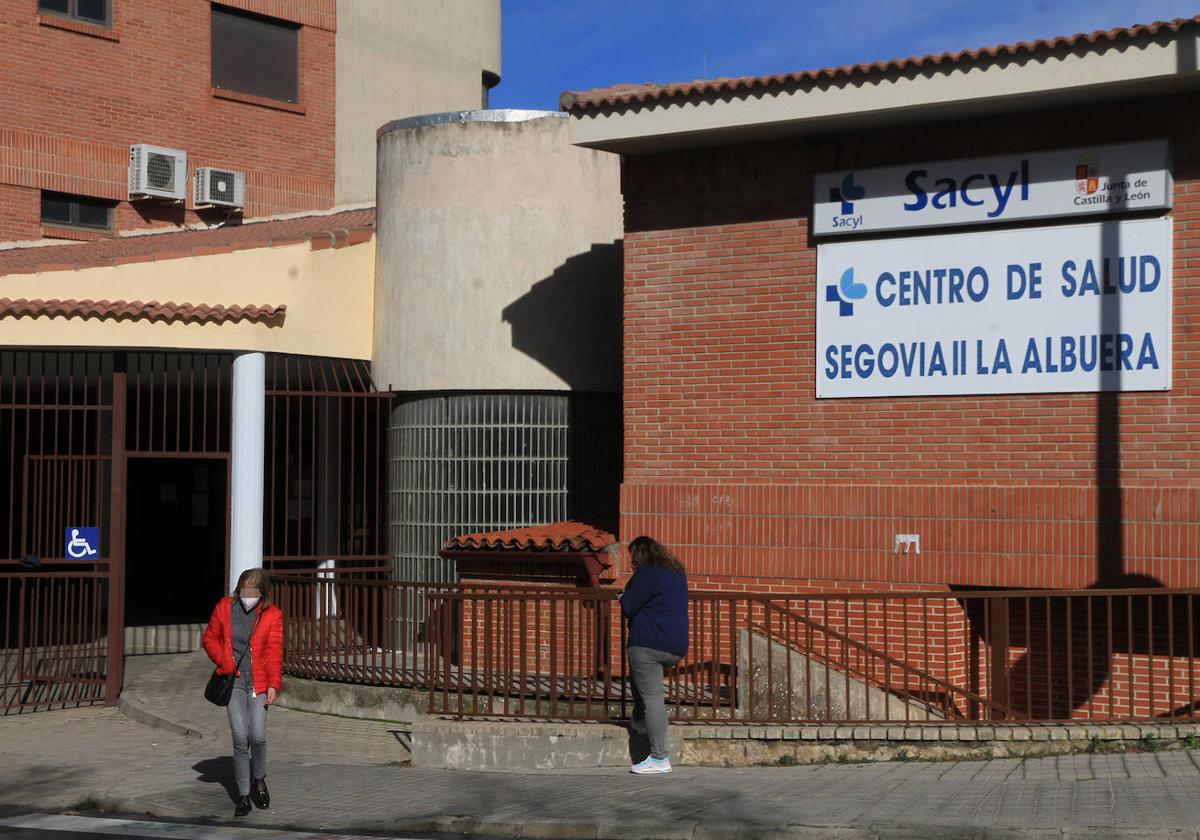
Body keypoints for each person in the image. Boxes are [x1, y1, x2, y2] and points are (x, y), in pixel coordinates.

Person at [202, 568, 284, 816]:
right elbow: (210, 638)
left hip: (258, 681)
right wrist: (225, 662)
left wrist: (273, 684)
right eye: (244, 589)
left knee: (257, 736)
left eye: (254, 590)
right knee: (240, 738)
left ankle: (259, 779)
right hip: (234, 681)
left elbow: (273, 651)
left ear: (263, 593)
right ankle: (243, 795)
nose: (248, 594)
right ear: (238, 589)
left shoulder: (272, 615)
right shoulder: (224, 608)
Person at [620, 536, 688, 774]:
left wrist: (625, 593)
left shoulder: (646, 573)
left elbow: (629, 606)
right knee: (645, 690)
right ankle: (639, 725)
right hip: (675, 645)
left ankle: (659, 757)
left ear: (637, 556)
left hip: (647, 642)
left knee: (652, 699)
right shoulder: (676, 572)